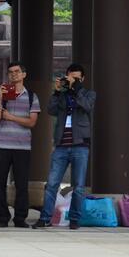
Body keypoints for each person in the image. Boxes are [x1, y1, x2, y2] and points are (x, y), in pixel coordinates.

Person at [33, 63, 96, 230]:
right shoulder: (62, 94)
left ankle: (75, 219)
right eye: (71, 77)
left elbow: (87, 106)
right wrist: (57, 91)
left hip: (80, 145)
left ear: (82, 79)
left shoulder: (88, 94)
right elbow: (51, 110)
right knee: (52, 183)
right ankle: (45, 217)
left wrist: (76, 89)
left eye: (76, 78)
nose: (73, 81)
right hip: (61, 145)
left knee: (79, 185)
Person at [0, 62, 40, 228]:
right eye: (11, 72)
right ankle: (2, 218)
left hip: (22, 146)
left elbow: (32, 122)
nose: (14, 74)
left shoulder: (32, 96)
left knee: (21, 183)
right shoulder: (1, 95)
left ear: (24, 74)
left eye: (17, 71)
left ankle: (20, 218)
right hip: (1, 144)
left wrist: (11, 117)